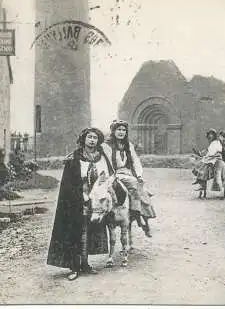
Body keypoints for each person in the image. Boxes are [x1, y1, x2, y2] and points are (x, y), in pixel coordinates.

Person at [47, 127, 112, 281]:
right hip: (77, 200)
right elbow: (69, 183)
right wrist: (80, 196)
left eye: (95, 138)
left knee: (89, 231)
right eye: (89, 137)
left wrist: (101, 192)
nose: (92, 140)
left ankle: (86, 264)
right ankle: (74, 266)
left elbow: (108, 176)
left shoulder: (102, 157)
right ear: (83, 139)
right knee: (77, 232)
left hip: (95, 200)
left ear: (99, 140)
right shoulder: (74, 158)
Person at [102, 120, 153, 237]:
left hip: (128, 173)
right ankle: (136, 213)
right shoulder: (106, 146)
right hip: (113, 174)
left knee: (143, 189)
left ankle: (143, 216)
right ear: (113, 131)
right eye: (118, 129)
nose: (121, 132)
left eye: (123, 130)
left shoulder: (128, 145)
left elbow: (135, 161)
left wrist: (139, 175)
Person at [193, 128, 225, 193]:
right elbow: (208, 151)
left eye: (212, 135)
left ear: (214, 135)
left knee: (203, 164)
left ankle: (200, 180)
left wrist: (206, 156)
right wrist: (202, 154)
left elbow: (213, 152)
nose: (210, 136)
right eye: (209, 135)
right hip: (212, 157)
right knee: (201, 163)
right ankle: (199, 180)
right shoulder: (212, 143)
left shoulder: (216, 142)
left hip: (215, 158)